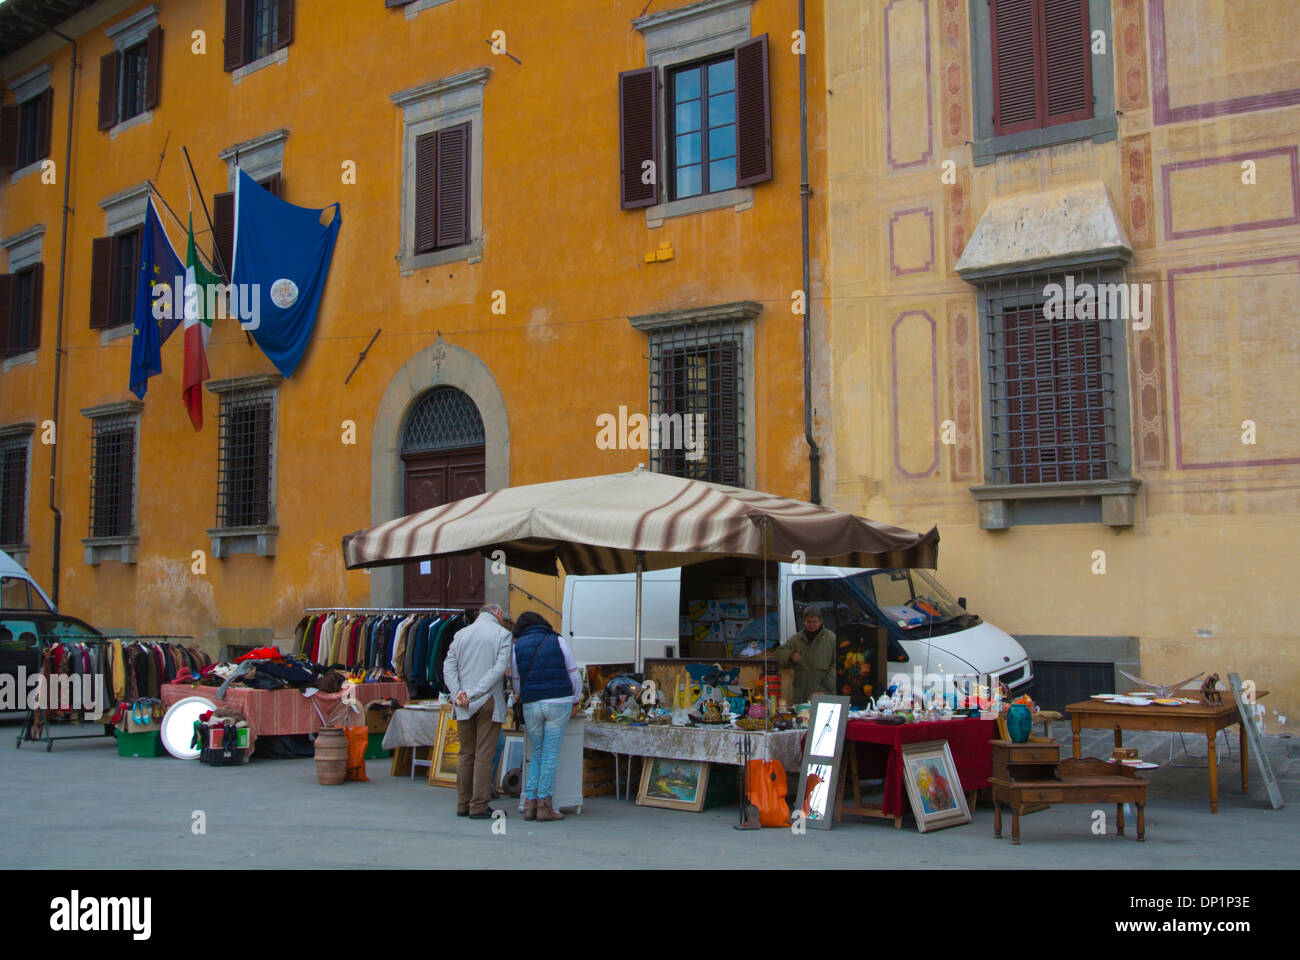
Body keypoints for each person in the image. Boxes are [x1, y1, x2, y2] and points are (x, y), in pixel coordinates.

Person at [508, 611, 582, 822]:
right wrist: (575, 700)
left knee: (537, 753)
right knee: (550, 754)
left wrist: (524, 697)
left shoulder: (518, 646)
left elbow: (516, 679)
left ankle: (530, 803)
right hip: (558, 701)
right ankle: (545, 806)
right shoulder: (557, 640)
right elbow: (573, 673)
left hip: (531, 703)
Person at [442, 603, 513, 820]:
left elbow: (448, 667)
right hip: (487, 700)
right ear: (498, 614)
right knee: (484, 754)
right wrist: (473, 693)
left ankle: (463, 803)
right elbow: (499, 669)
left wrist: (458, 694)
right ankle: (479, 805)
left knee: (466, 754)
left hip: (463, 701)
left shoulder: (461, 634)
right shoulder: (503, 634)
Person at [776, 605, 837, 703]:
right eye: (808, 622)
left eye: (814, 621)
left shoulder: (831, 638)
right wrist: (791, 656)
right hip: (801, 693)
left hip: (823, 691)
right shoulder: (797, 639)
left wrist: (827, 685)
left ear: (820, 621)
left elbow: (837, 662)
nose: (811, 625)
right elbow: (779, 653)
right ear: (804, 621)